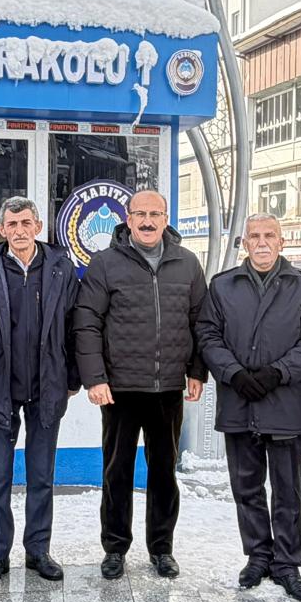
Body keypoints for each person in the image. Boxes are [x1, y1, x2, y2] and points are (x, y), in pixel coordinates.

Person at [73, 189, 207, 580]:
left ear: (166, 219)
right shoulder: (105, 264)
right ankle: (115, 548)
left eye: (155, 214)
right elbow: (86, 323)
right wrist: (95, 378)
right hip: (120, 389)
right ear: (127, 219)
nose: (148, 221)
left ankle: (161, 549)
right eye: (140, 214)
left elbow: (203, 323)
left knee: (164, 471)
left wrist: (197, 371)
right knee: (117, 472)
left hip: (168, 388)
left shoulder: (187, 264)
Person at [196, 213, 301, 602]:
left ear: (282, 241)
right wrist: (233, 373)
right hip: (240, 404)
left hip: (285, 403)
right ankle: (258, 555)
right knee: (247, 487)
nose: (261, 242)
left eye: (269, 235)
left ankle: (287, 563)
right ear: (244, 243)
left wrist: (279, 372)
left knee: (287, 490)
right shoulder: (223, 286)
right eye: (254, 235)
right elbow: (207, 334)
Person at [0, 197, 79, 588]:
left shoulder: (61, 269)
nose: (20, 230)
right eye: (12, 224)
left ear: (38, 226)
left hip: (47, 388)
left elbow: (77, 328)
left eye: (26, 222)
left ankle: (38, 550)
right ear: (2, 229)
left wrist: (72, 380)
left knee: (42, 475)